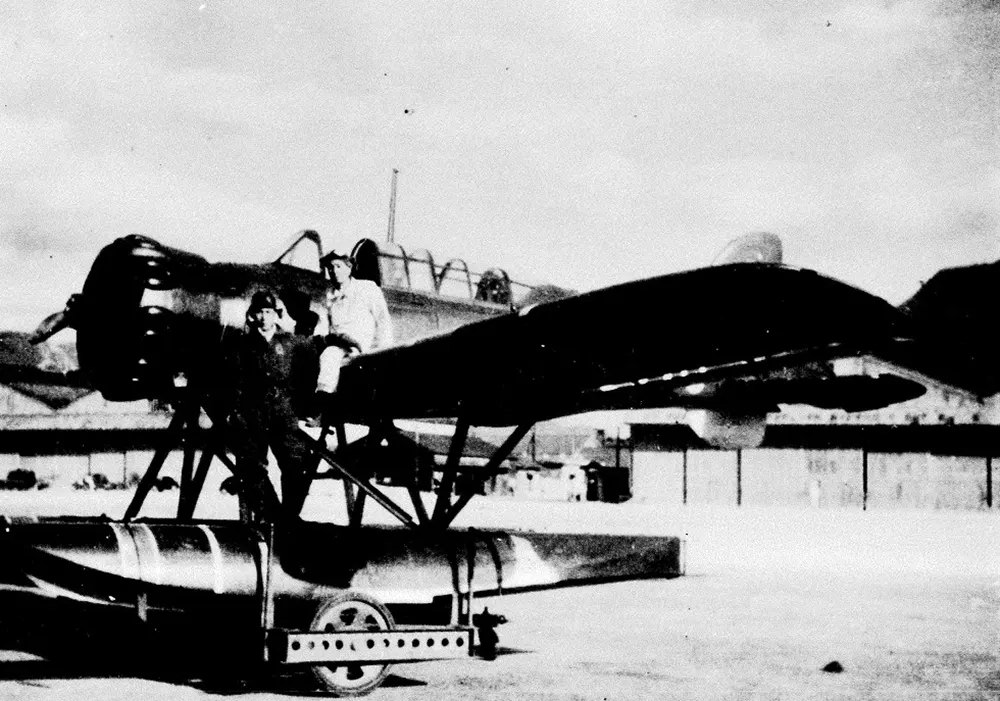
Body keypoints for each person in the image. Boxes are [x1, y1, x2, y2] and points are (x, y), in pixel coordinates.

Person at [222, 289, 326, 521]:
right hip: (254, 413)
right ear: (251, 316)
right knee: (251, 468)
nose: (264, 317)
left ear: (276, 315)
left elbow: (308, 375)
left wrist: (306, 408)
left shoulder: (293, 343)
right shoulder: (242, 345)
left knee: (296, 465)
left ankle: (289, 517)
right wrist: (236, 413)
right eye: (259, 312)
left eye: (268, 312)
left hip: (284, 411)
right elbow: (235, 380)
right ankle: (273, 517)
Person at [315, 251, 393, 410]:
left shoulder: (367, 288)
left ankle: (323, 403)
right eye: (330, 268)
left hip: (364, 347)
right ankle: (323, 400)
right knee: (328, 355)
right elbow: (323, 326)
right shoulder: (330, 297)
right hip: (340, 344)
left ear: (349, 268)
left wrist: (384, 351)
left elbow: (383, 320)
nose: (334, 271)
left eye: (338, 266)